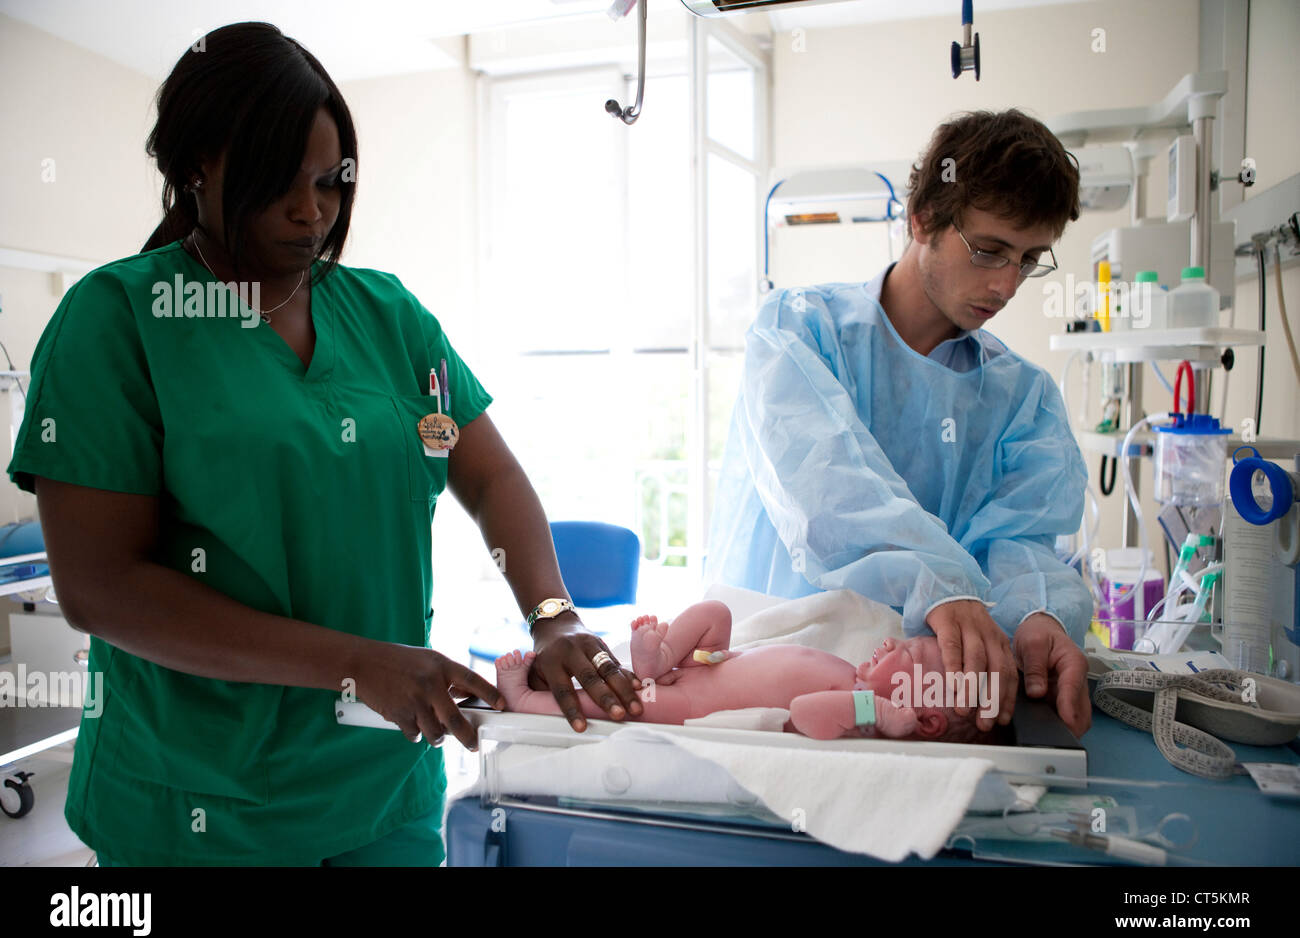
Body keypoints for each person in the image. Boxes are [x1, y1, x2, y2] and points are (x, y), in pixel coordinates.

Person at [6, 22, 641, 867]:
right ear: (194, 167)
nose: (311, 211)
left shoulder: (387, 317)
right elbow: (100, 587)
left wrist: (553, 615)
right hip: (199, 808)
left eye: (329, 182)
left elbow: (489, 476)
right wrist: (355, 662)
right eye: (279, 184)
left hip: (383, 790)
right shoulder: (116, 321)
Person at [707, 109, 1093, 738]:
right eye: (989, 250)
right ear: (922, 219)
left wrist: (1037, 617)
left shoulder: (1024, 397)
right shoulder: (799, 331)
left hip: (923, 705)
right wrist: (934, 579)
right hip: (771, 674)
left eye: (1028, 260)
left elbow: (1021, 541)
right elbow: (827, 489)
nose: (1006, 284)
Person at [494, 600, 996, 742]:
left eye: (907, 656)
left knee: (623, 705)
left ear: (921, 716)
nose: (894, 643)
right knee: (716, 614)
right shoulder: (854, 674)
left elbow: (804, 714)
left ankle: (526, 701)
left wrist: (878, 711)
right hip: (706, 665)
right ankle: (660, 658)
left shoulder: (859, 709)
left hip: (693, 703)